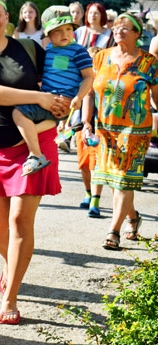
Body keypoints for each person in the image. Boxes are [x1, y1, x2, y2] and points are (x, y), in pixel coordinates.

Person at [0, 0, 69, 325]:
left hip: (34, 145)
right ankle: (13, 263)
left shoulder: (28, 49)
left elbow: (61, 77)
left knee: (18, 223)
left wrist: (65, 97)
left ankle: (10, 296)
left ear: (8, 17)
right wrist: (39, 96)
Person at [84, 12, 158, 250]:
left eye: (125, 28)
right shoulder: (101, 57)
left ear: (138, 34)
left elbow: (157, 99)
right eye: (116, 27)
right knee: (116, 182)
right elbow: (89, 92)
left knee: (125, 181)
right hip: (105, 130)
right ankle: (133, 218)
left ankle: (113, 232)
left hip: (135, 132)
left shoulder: (149, 63)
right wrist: (86, 122)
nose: (119, 31)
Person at [10, 6, 94, 175]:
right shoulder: (48, 50)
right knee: (35, 126)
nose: (64, 34)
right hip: (48, 101)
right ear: (48, 33)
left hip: (65, 101)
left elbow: (89, 77)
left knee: (17, 114)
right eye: (58, 31)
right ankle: (32, 150)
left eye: (69, 29)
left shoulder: (78, 51)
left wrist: (78, 97)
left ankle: (36, 155)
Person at [76, 47, 104, 217]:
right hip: (82, 126)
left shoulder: (104, 80)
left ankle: (95, 200)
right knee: (84, 165)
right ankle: (88, 193)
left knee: (96, 165)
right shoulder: (82, 80)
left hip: (101, 127)